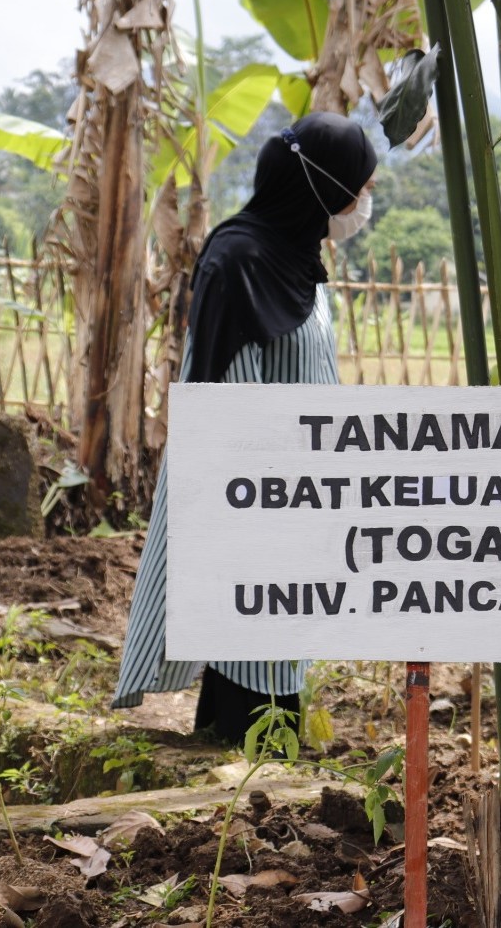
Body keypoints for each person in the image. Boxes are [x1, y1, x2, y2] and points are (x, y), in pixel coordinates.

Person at [113, 111, 377, 744]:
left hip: (299, 483)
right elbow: (229, 390)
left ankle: (253, 757)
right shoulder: (239, 259)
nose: (364, 202)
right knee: (249, 628)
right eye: (358, 189)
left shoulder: (299, 257)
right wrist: (269, 483)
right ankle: (239, 763)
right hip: (254, 478)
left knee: (275, 635)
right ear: (321, 187)